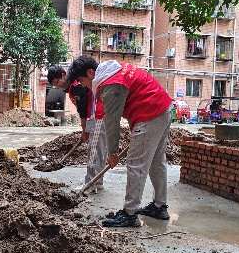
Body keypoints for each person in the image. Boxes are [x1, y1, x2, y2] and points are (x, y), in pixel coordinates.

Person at [67, 57, 173, 228]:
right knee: (156, 161)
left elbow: (112, 121)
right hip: (163, 109)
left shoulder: (110, 83)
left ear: (90, 72)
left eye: (81, 80)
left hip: (150, 113)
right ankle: (159, 206)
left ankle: (129, 214)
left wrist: (113, 153)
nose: (83, 85)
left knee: (135, 164)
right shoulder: (113, 71)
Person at [47, 66, 108, 193]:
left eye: (57, 82)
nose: (57, 86)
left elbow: (83, 111)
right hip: (99, 115)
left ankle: (90, 183)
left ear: (63, 75)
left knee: (94, 150)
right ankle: (98, 181)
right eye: (54, 84)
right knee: (100, 149)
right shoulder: (73, 87)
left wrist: (85, 131)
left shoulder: (76, 86)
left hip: (98, 115)